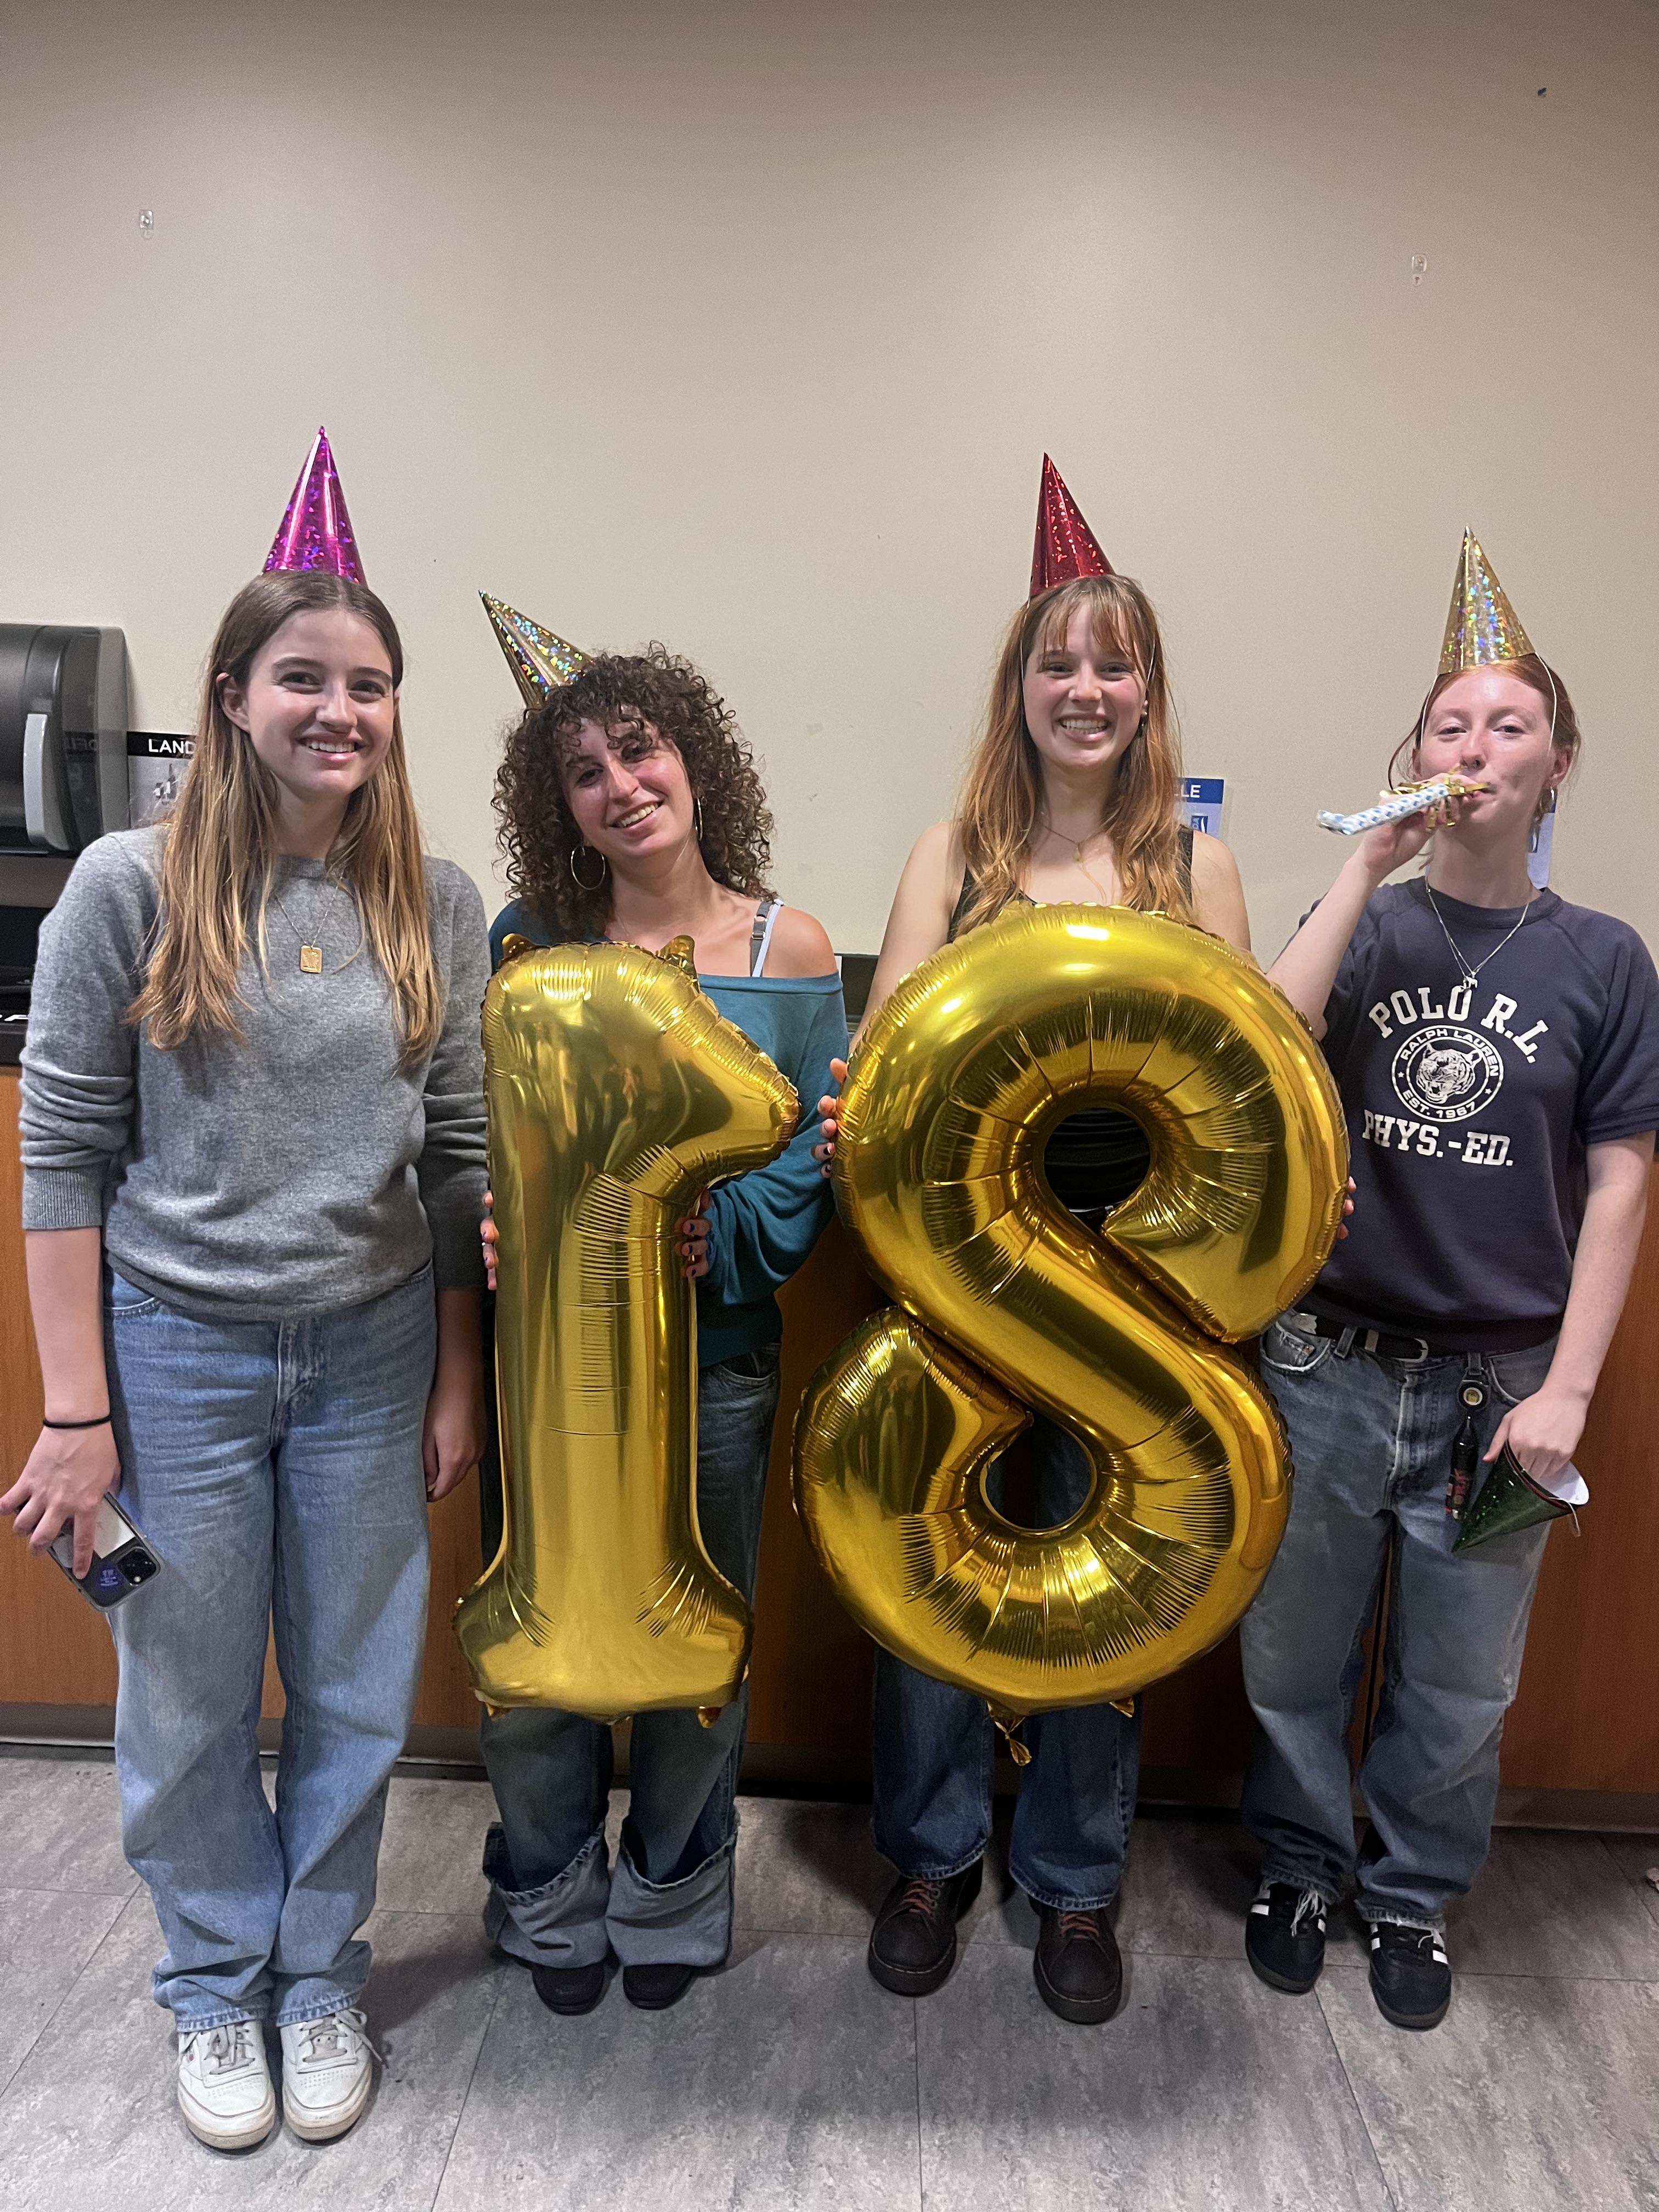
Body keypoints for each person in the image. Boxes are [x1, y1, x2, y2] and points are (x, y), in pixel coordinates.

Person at [5, 563, 489, 2148]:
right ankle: (216, 1986)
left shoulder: (436, 900)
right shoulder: (127, 885)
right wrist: (75, 1411)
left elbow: (461, 1160)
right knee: (185, 1692)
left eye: (368, 684)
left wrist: (458, 1375)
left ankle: (316, 1977)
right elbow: (62, 1152)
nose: (338, 711)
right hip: (175, 1356)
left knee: (355, 1688)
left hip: (373, 1349)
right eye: (303, 677)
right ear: (231, 695)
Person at [820, 462, 1252, 2026]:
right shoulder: (954, 858)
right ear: (1018, 688)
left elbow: (1240, 1100)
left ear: (1148, 695)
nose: (1085, 688)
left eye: (1113, 664)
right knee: (933, 1569)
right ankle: (931, 1858)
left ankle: (1074, 1879)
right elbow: (881, 1056)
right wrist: (847, 1112)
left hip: (1131, 1298)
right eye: (1057, 662)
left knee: (1107, 1579)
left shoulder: (1193, 871)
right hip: (956, 1286)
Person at [1240, 533, 1659, 2032]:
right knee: (1293, 1651)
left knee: (1464, 1679)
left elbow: (1621, 1183)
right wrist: (1364, 866)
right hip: (1329, 1363)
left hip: (1504, 1385)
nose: (1477, 747)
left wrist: (1570, 1393)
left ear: (1559, 765)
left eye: (1511, 726)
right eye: (1449, 726)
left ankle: (1412, 1893)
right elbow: (1264, 1046)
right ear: (1415, 759)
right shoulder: (1375, 924)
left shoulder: (1605, 960)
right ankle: (1298, 1865)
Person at [479, 641, 847, 2017]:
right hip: (549, 1382)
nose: (621, 786)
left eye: (639, 750)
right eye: (583, 773)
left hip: (717, 1366)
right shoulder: (529, 945)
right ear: (559, 808)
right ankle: (548, 1896)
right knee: (541, 1642)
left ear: (694, 759)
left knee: (698, 1642)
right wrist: (503, 1222)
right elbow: (495, 1139)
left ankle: (675, 1899)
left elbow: (809, 1151)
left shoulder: (788, 947)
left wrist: (722, 1232)